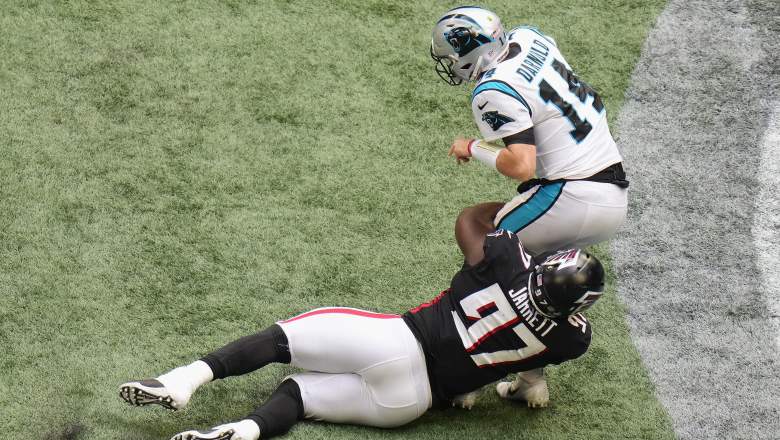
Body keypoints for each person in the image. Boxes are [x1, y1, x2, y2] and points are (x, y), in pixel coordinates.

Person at [119, 207, 605, 440]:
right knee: (298, 394)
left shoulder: (506, 260)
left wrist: (509, 210)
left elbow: (471, 223)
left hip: (393, 343)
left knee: (281, 340)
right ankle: (245, 431)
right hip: (409, 404)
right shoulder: (572, 339)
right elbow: (542, 349)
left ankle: (183, 382)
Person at [431, 6, 629, 258]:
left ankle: (459, 300)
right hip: (613, 193)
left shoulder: (492, 90)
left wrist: (472, 146)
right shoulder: (528, 37)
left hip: (573, 196)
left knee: (488, 241)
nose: (452, 64)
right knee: (538, 278)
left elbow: (522, 167)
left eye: (452, 58)